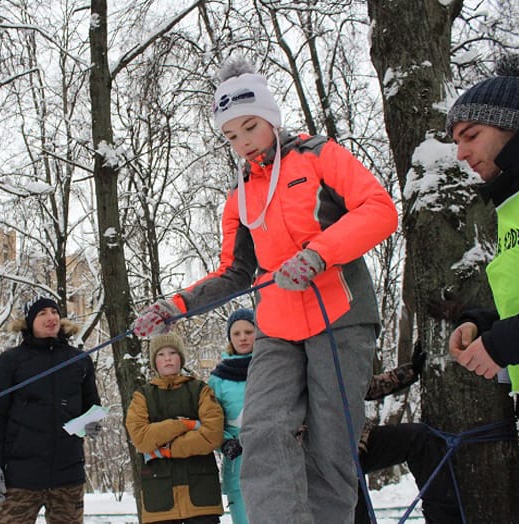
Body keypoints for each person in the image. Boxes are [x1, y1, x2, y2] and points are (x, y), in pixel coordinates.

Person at [133, 57, 398, 522]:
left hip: (339, 315)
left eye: (250, 127)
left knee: (332, 440)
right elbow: (233, 273)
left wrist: (317, 254)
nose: (242, 142)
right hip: (276, 326)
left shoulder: (319, 155)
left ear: (271, 118)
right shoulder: (239, 196)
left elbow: (378, 209)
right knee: (262, 431)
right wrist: (172, 306)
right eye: (230, 136)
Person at [445, 53, 519, 523]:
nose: (461, 154)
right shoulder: (514, 203)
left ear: (512, 126)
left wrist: (504, 343)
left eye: (471, 136)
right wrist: (483, 324)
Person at [0, 295, 101, 524]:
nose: (51, 317)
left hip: (68, 474)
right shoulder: (11, 361)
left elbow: (93, 407)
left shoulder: (79, 360)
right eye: (42, 313)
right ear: (29, 321)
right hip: (20, 476)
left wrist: (91, 424)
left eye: (54, 311)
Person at [125, 331, 225, 523]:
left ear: (181, 357)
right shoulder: (142, 396)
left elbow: (211, 435)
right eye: (161, 354)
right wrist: (184, 425)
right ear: (154, 362)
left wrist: (168, 449)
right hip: (160, 497)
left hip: (201, 494)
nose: (168, 358)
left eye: (172, 352)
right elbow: (142, 439)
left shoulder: (200, 390)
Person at [355, 344, 460, 524]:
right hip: (319, 458)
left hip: (357, 442)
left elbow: (362, 387)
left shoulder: (330, 351)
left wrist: (409, 371)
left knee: (419, 438)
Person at [207, 308, 255, 524]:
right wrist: (225, 442)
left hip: (274, 461)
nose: (243, 337)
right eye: (236, 333)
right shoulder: (218, 379)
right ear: (230, 338)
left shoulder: (272, 368)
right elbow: (210, 421)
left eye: (248, 331)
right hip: (238, 465)